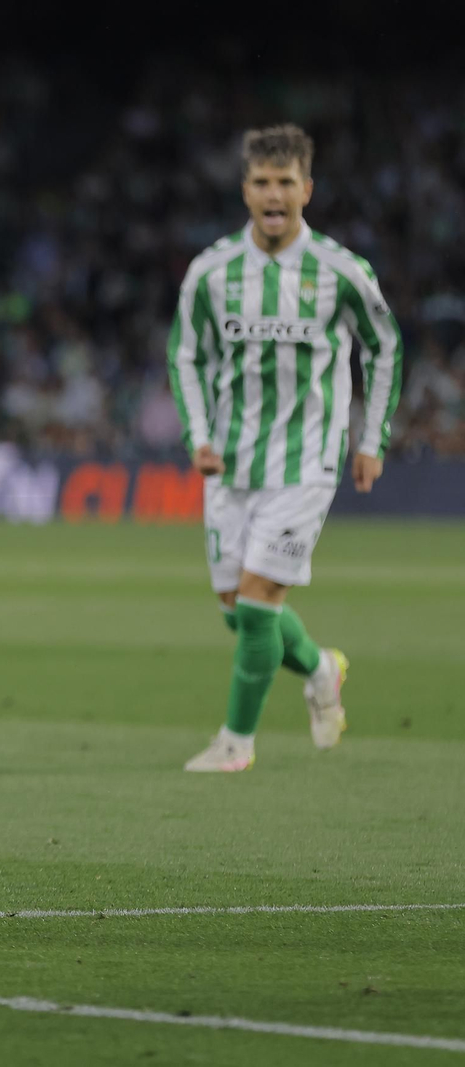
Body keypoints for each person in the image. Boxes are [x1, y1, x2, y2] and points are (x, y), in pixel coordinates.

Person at [168, 124, 403, 773]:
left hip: (307, 461)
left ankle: (236, 743)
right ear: (246, 190)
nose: (274, 194)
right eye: (263, 182)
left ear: (308, 189)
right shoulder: (211, 272)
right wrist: (199, 435)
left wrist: (372, 437)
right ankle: (322, 668)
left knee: (256, 605)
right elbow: (185, 356)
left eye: (286, 182)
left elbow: (385, 348)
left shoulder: (341, 271)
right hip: (231, 461)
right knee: (238, 613)